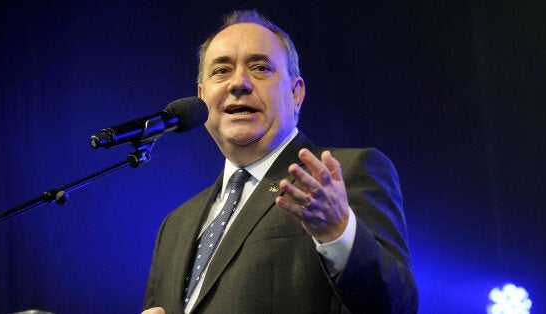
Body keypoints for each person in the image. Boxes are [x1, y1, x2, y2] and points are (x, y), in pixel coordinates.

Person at [142, 10, 418, 313]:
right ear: (201, 96)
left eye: (260, 68)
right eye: (221, 71)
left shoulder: (341, 175)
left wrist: (338, 232)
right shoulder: (174, 226)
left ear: (295, 93)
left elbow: (397, 306)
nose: (238, 83)